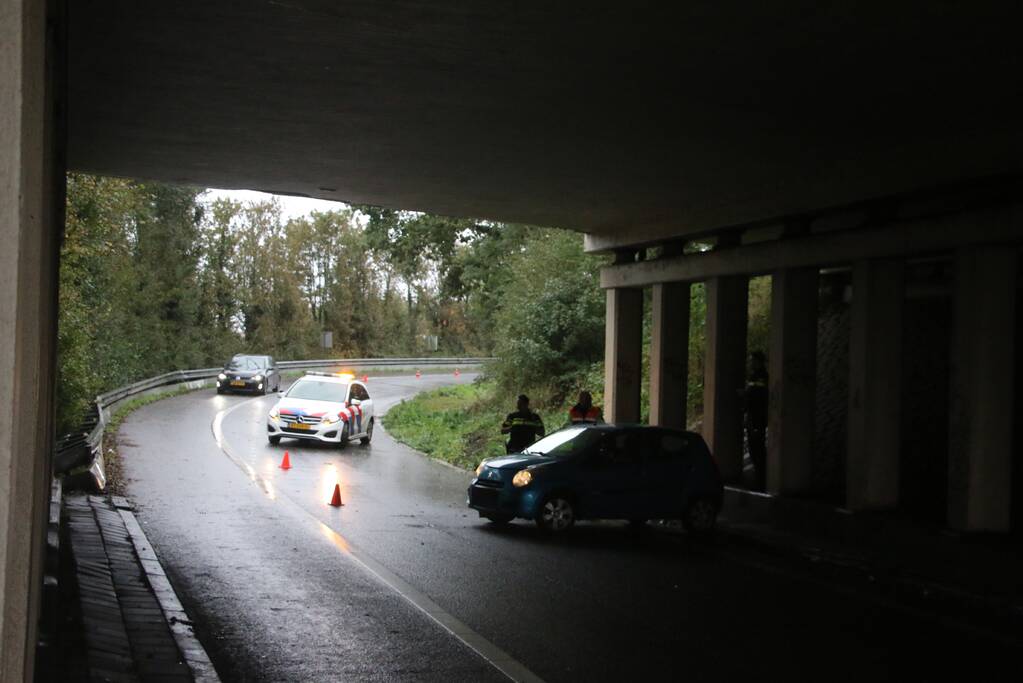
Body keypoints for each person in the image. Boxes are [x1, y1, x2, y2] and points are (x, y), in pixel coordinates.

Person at [743, 351, 769, 491]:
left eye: (752, 360)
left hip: (757, 418)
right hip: (753, 417)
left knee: (758, 449)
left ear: (759, 361)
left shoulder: (762, 377)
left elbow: (758, 396)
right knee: (754, 449)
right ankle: (759, 478)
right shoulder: (754, 376)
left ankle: (761, 480)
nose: (750, 363)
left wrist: (746, 394)